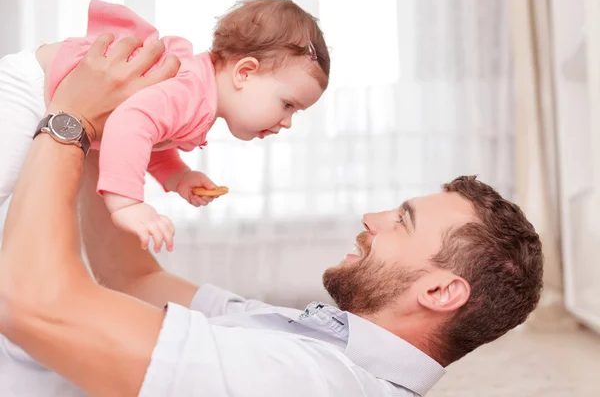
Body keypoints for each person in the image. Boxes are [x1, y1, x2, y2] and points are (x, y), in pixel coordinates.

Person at [0, 35, 544, 397]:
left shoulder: (307, 380)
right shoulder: (320, 338)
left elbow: (31, 306)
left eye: (402, 221)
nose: (372, 217)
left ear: (441, 292)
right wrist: (113, 133)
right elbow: (136, 278)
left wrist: (71, 119)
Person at [0, 0, 329, 253]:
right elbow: (132, 123)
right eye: (287, 105)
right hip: (31, 88)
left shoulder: (196, 91)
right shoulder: (192, 92)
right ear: (244, 72)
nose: (286, 122)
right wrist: (128, 202)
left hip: (41, 94)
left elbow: (149, 135)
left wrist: (177, 175)